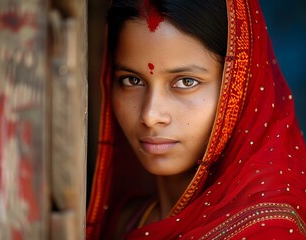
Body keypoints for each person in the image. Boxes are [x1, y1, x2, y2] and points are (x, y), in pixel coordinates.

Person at [86, 0, 306, 239]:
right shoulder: (128, 219)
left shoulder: (267, 231)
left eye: (186, 82)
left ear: (238, 86)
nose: (150, 115)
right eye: (132, 81)